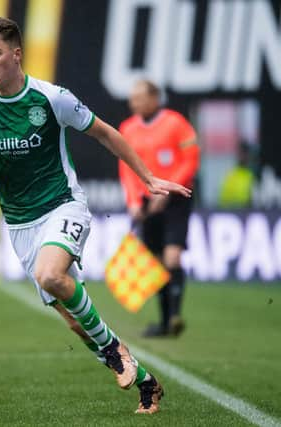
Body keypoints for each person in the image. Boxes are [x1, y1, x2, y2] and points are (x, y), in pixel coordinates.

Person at [0, 18, 192, 414]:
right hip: (20, 225)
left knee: (51, 275)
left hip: (63, 204)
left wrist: (148, 178)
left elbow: (107, 133)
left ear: (16, 54)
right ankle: (146, 381)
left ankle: (116, 350)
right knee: (77, 324)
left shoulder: (51, 98)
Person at [119, 80, 200, 338]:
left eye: (140, 97)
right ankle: (165, 322)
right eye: (132, 98)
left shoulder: (176, 123)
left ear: (155, 98)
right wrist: (132, 201)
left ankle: (175, 315)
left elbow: (191, 160)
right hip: (146, 202)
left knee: (172, 257)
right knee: (155, 262)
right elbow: (127, 169)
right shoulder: (128, 129)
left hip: (176, 199)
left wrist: (170, 188)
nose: (134, 103)